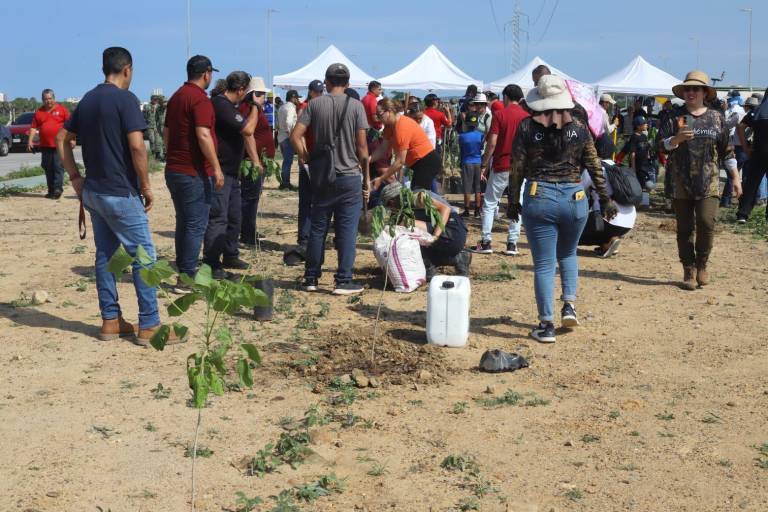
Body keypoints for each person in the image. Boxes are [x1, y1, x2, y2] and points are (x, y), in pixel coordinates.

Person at [55, 47, 181, 346]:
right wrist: (146, 185)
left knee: (106, 257)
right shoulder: (126, 100)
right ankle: (149, 325)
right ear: (128, 69)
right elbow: (138, 147)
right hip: (120, 192)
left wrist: (75, 178)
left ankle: (111, 321)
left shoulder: (88, 99)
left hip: (94, 193)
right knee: (144, 257)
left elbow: (62, 138)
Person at [508, 75, 617, 343]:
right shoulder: (579, 127)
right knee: (568, 255)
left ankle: (546, 326)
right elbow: (594, 165)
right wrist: (605, 198)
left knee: (544, 265)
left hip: (540, 196)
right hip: (574, 197)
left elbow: (517, 168)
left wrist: (512, 201)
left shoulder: (526, 127)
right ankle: (568, 305)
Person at [290, 63, 369, 294]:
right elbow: (362, 148)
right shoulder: (356, 106)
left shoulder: (314, 104)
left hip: (322, 173)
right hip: (349, 176)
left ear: (327, 81)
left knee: (318, 227)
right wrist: (366, 176)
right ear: (348, 83)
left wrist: (305, 156)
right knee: (346, 230)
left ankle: (311, 278)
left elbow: (296, 136)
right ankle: (343, 280)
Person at [658, 70, 741, 290]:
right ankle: (688, 269)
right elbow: (658, 146)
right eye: (687, 89)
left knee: (706, 223)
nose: (691, 92)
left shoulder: (716, 118)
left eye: (695, 88)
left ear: (705, 92)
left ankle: (702, 263)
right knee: (684, 228)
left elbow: (728, 151)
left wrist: (736, 179)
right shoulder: (674, 117)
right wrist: (675, 139)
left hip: (709, 181)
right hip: (680, 182)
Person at [164, 55, 224, 287]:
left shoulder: (177, 96)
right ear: (206, 73)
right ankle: (186, 277)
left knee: (184, 222)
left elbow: (166, 131)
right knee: (195, 224)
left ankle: (184, 269)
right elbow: (203, 134)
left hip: (175, 169)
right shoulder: (199, 99)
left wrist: (172, 156)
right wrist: (217, 168)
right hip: (193, 173)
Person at [202, 71, 260, 279]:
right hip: (221, 171)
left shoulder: (230, 106)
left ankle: (230, 253)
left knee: (235, 215)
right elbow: (248, 129)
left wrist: (254, 160)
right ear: (242, 89)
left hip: (232, 172)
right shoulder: (221, 104)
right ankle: (211, 261)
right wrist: (256, 106)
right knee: (219, 217)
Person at [472, 84, 529, 256]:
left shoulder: (499, 115)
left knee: (489, 204)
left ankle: (486, 241)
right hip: (520, 167)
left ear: (506, 97)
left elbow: (492, 143)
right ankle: (512, 244)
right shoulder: (527, 117)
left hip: (501, 165)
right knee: (515, 204)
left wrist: (484, 163)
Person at [379, 182, 471, 279]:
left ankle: (428, 268)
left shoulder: (417, 197)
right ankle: (458, 258)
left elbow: (446, 209)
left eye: (390, 205)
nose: (391, 209)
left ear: (393, 200)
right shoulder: (404, 207)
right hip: (448, 235)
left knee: (405, 226)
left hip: (453, 231)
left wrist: (435, 236)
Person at [578, 138, 636, 257]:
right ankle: (608, 242)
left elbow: (577, 190)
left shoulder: (594, 168)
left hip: (607, 222)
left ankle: (607, 241)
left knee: (571, 236)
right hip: (629, 222)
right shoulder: (619, 167)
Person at [370, 98, 441, 191]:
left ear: (389, 111)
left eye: (380, 115)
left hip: (427, 161)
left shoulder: (401, 127)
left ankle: (447, 206)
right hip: (418, 163)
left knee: (419, 196)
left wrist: (381, 179)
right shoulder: (389, 126)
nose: (378, 118)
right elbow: (383, 149)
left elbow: (400, 162)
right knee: (419, 196)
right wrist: (367, 160)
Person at [240, 77, 272, 248]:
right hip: (252, 161)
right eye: (259, 94)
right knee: (249, 199)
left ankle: (248, 230)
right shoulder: (248, 108)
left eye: (263, 94)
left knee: (253, 198)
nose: (263, 97)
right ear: (252, 94)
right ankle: (247, 234)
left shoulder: (256, 109)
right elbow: (248, 134)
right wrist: (255, 160)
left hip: (259, 160)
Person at [29, 89, 70, 199]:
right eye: (46, 99)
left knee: (57, 167)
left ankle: (57, 189)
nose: (48, 101)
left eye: (50, 98)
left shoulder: (62, 110)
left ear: (54, 98)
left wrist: (72, 139)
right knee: (48, 167)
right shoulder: (39, 112)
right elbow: (33, 127)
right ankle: (51, 190)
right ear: (42, 100)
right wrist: (30, 141)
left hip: (59, 145)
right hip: (45, 145)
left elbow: (70, 125)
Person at [736, 90, 768, 223]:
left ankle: (743, 214)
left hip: (758, 153)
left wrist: (745, 147)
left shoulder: (758, 110)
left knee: (751, 184)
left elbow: (740, 127)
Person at [721, 90, 747, 206]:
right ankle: (744, 200)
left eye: (729, 98)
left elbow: (726, 126)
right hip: (742, 146)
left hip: (737, 146)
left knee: (732, 175)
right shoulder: (738, 111)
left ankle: (725, 200)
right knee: (739, 175)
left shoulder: (737, 112)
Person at [625, 116, 655, 207]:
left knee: (648, 185)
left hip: (645, 165)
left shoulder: (644, 136)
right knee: (640, 185)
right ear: (638, 126)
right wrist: (633, 168)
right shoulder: (634, 137)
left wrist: (649, 158)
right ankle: (640, 202)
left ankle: (643, 202)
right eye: (644, 124)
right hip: (638, 166)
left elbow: (647, 150)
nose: (646, 125)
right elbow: (632, 153)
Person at [458, 113, 483, 216]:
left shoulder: (462, 136)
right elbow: (481, 148)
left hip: (467, 162)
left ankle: (467, 210)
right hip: (478, 162)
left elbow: (461, 150)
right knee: (478, 188)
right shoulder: (481, 135)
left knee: (467, 188)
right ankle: (477, 210)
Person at [277, 89, 300, 190]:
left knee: (286, 161)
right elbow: (289, 122)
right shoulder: (291, 107)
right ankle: (286, 183)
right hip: (287, 137)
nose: (297, 100)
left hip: (281, 137)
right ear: (293, 98)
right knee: (288, 161)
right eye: (296, 98)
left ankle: (284, 182)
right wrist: (291, 135)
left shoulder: (282, 107)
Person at [143, 95, 162, 161]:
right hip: (150, 126)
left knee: (158, 140)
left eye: (156, 99)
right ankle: (153, 152)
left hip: (157, 126)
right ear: (151, 99)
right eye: (154, 99)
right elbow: (144, 115)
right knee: (152, 139)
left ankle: (158, 154)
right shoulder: (147, 106)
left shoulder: (158, 106)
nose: (155, 101)